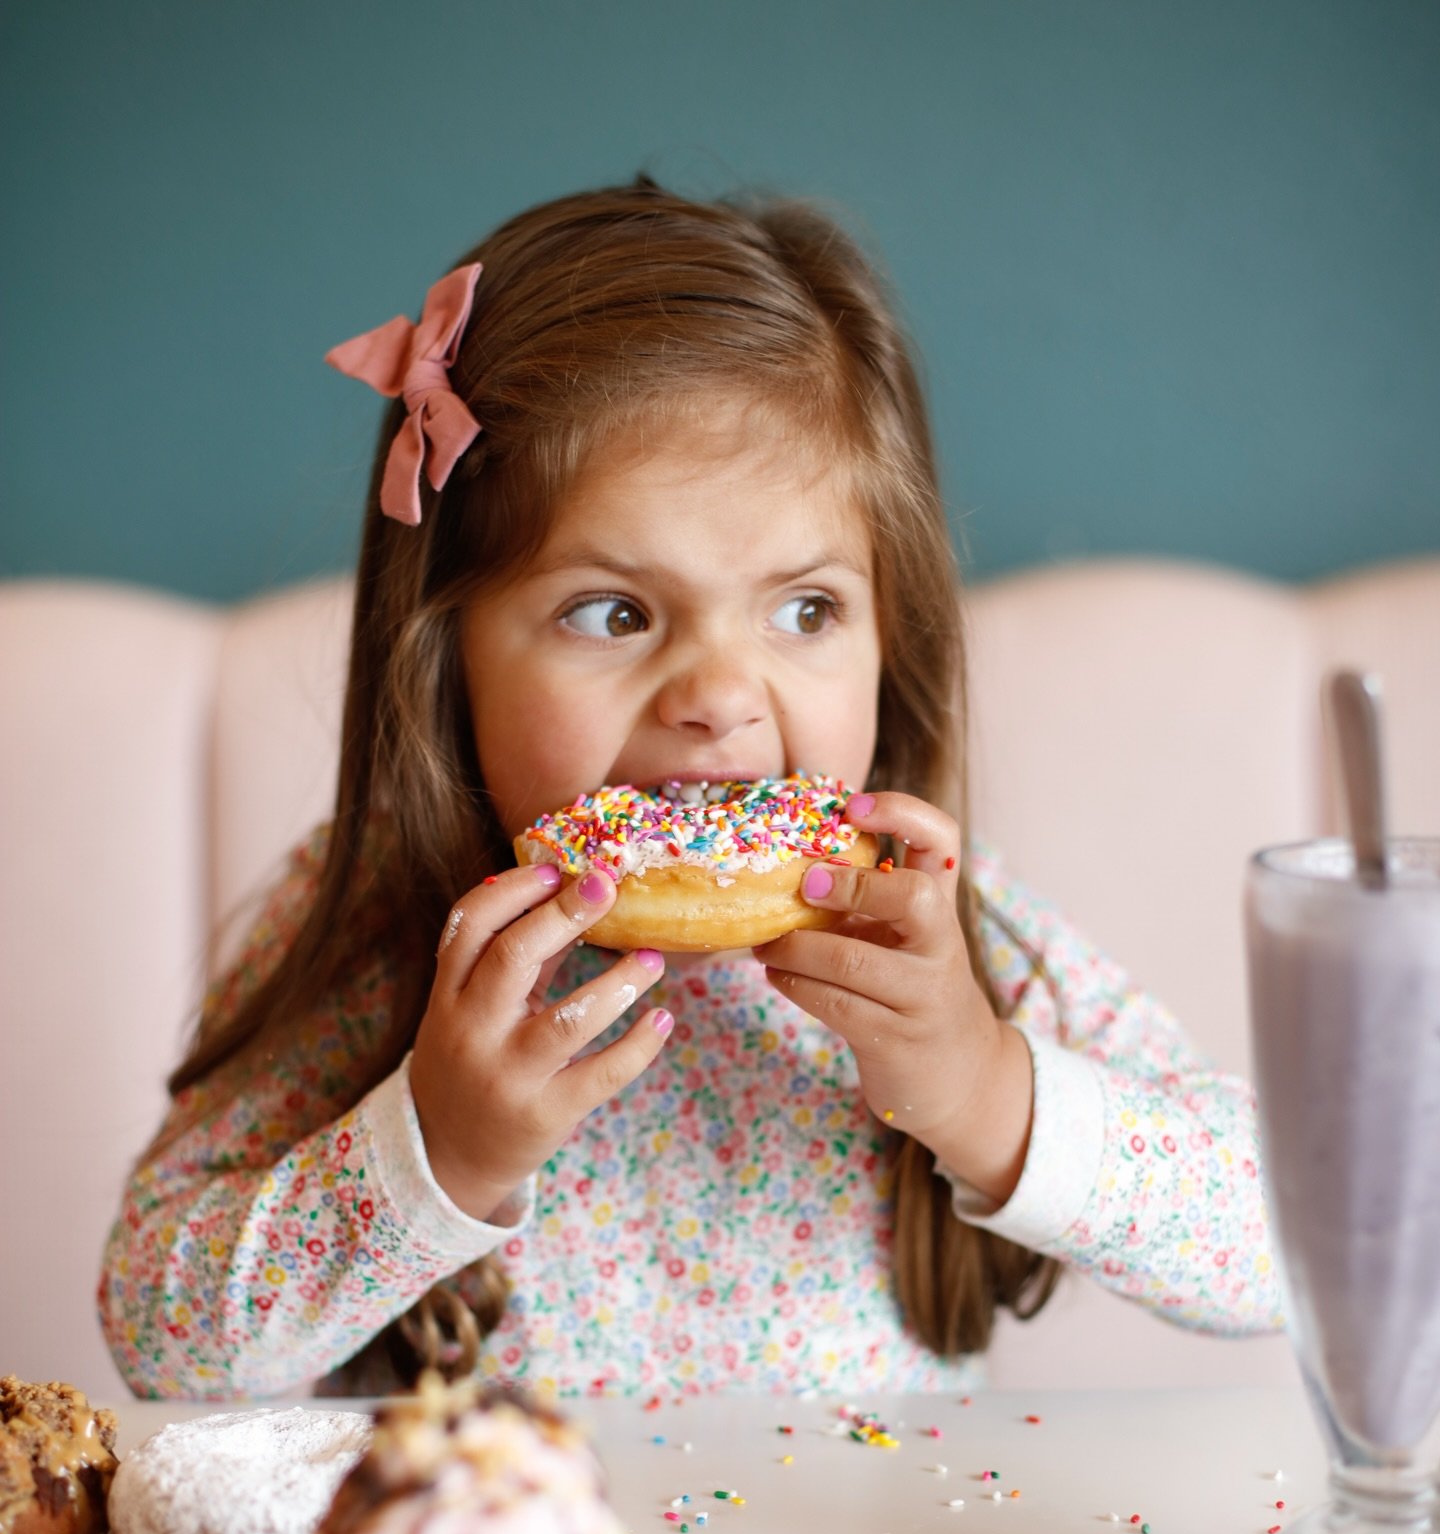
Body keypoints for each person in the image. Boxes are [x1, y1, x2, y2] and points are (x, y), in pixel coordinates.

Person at [98, 174, 1283, 1401]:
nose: (719, 693)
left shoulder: (930, 936)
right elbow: (160, 1335)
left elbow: (1290, 1243)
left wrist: (984, 1089)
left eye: (805, 608)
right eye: (613, 613)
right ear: (449, 662)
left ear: (895, 639)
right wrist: (433, 1154)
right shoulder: (381, 922)